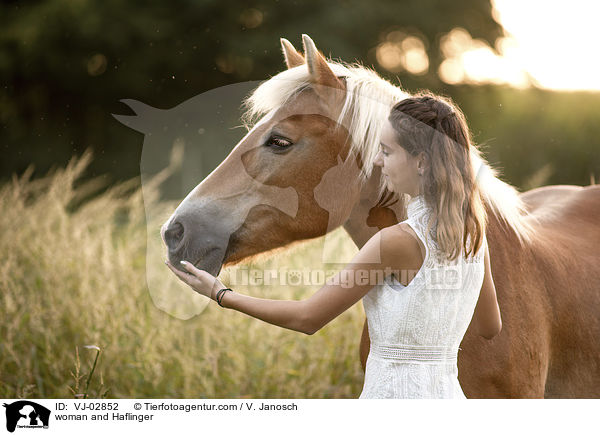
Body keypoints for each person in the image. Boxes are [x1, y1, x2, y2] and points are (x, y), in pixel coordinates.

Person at [165, 92, 502, 399]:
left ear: (421, 161)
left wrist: (221, 295)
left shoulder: (395, 242)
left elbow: (308, 318)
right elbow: (490, 326)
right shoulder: (474, 237)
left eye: (386, 152)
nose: (378, 162)